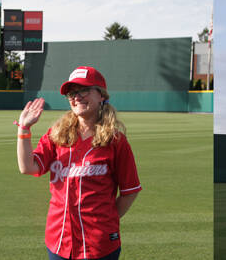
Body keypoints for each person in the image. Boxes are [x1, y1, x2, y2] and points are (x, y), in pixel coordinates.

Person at [16, 66, 141, 260]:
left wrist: (106, 218)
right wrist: (24, 129)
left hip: (100, 244)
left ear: (101, 95)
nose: (77, 97)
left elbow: (130, 190)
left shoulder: (116, 141)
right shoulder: (56, 135)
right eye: (72, 93)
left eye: (84, 90)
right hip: (59, 240)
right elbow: (27, 167)